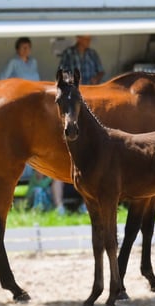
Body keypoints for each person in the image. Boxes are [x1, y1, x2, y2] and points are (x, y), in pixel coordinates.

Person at [54, 35, 105, 214]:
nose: (89, 40)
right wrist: (74, 84)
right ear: (79, 38)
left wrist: (94, 80)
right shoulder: (69, 53)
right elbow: (63, 74)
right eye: (86, 38)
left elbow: (101, 71)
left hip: (90, 93)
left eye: (90, 38)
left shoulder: (92, 53)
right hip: (73, 92)